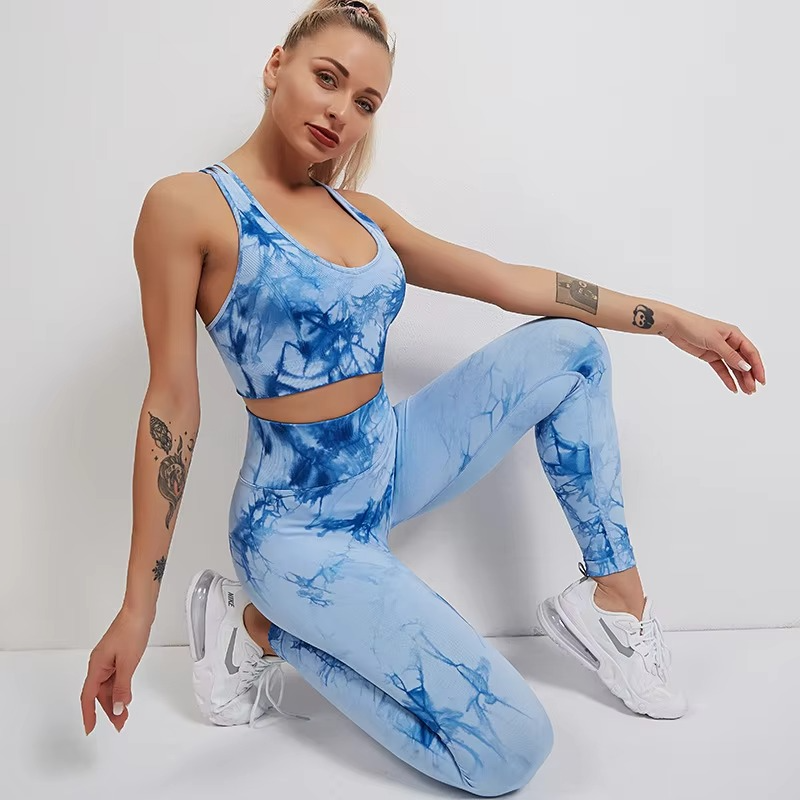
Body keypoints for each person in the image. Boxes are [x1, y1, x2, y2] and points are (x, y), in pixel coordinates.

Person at [80, 1, 766, 795]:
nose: (341, 111)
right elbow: (171, 406)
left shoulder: (361, 213)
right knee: (512, 750)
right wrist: (137, 609)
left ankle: (613, 601)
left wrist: (671, 320)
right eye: (327, 79)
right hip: (298, 530)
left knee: (571, 349)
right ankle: (258, 625)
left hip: (392, 457)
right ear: (276, 66)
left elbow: (508, 281)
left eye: (365, 101)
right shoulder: (190, 206)